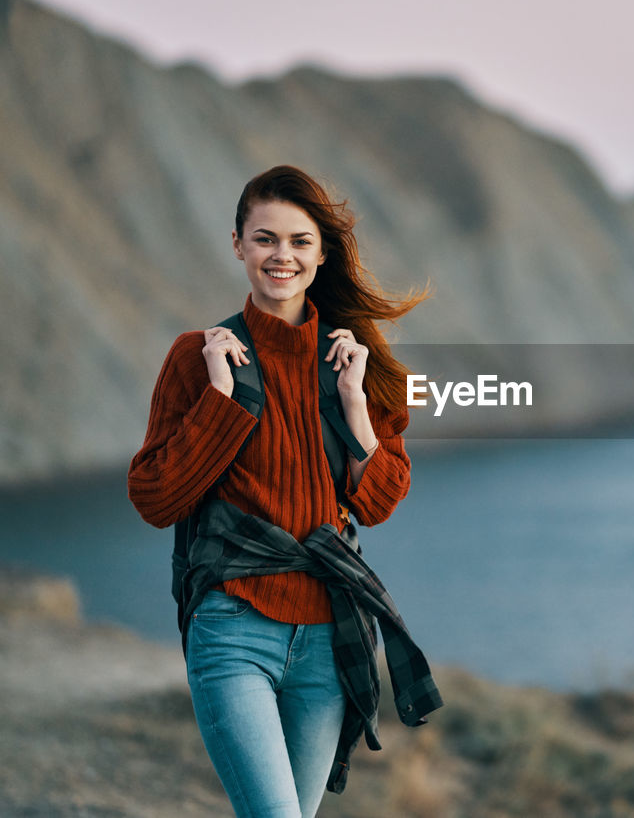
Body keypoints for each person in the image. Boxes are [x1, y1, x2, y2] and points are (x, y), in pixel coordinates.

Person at [127, 164, 431, 817]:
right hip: (233, 627)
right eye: (265, 239)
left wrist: (353, 407)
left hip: (328, 640)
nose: (281, 255)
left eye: (298, 241)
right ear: (238, 244)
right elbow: (154, 498)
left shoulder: (351, 362)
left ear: (322, 253)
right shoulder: (196, 357)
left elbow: (376, 504)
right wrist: (219, 402)